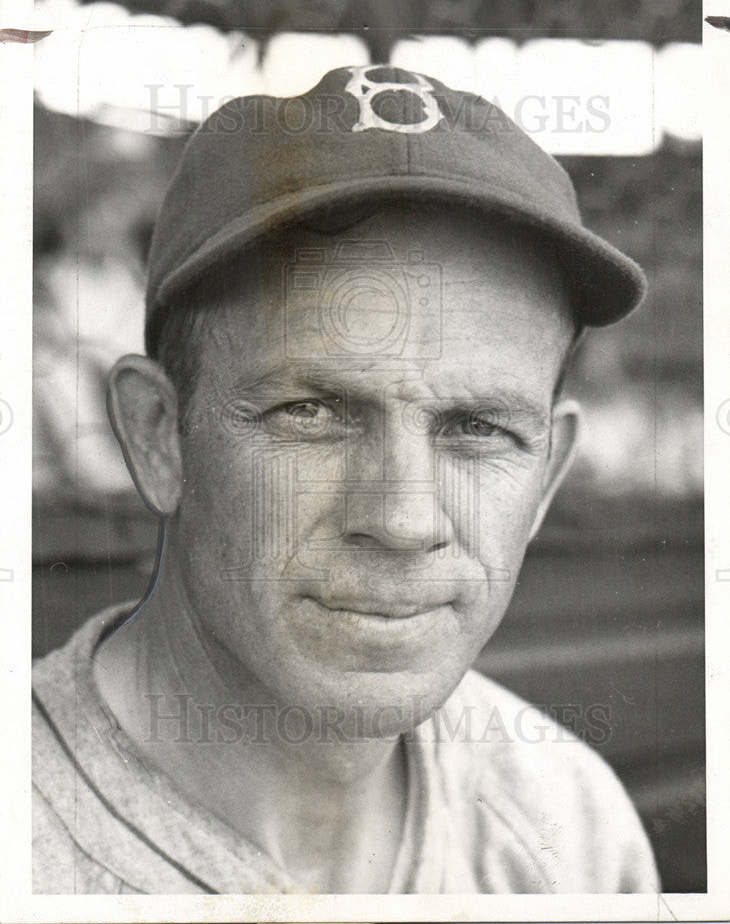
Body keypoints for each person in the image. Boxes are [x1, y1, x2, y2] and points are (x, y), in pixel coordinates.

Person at [32, 65, 660, 894]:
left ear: (545, 479)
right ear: (158, 437)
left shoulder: (571, 826)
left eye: (479, 429)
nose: (402, 518)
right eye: (312, 411)